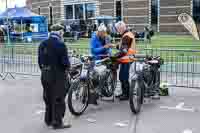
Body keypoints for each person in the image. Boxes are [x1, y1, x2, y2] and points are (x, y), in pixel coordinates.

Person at [38, 24, 71, 129]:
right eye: (62, 32)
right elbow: (65, 63)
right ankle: (57, 122)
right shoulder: (61, 44)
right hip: (57, 75)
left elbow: (40, 61)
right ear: (60, 32)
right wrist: (67, 69)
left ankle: (48, 119)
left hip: (45, 73)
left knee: (48, 97)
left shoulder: (42, 43)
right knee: (58, 98)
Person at [114, 21, 136, 100]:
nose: (117, 31)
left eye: (117, 29)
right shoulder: (127, 35)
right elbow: (123, 46)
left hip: (127, 59)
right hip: (126, 59)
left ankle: (126, 95)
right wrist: (116, 46)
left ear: (121, 28)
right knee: (122, 77)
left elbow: (124, 50)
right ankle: (124, 93)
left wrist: (115, 56)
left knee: (124, 77)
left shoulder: (126, 36)